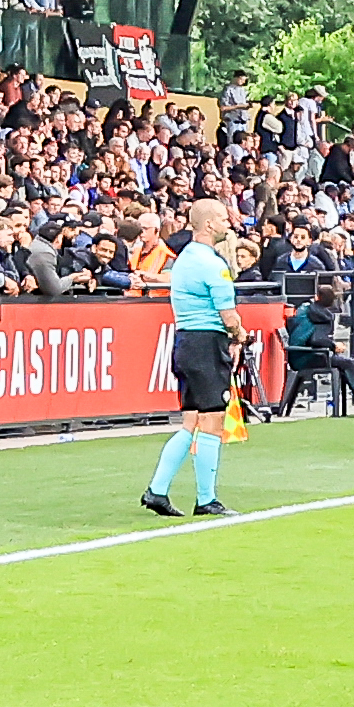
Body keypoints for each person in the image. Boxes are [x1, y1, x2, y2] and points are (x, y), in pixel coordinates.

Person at [149, 195, 242, 517]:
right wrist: (239, 336)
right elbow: (228, 315)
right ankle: (206, 499)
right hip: (206, 345)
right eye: (222, 217)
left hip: (185, 341)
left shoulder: (186, 258)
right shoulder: (212, 264)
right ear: (208, 224)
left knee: (191, 420)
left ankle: (157, 491)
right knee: (213, 422)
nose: (228, 220)